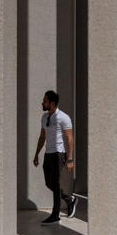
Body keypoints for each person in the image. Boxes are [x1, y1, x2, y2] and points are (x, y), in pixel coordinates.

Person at [32, 89, 77, 224]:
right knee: (49, 183)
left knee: (56, 183)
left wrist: (70, 159)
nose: (42, 103)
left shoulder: (63, 117)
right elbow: (42, 136)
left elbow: (69, 139)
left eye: (44, 101)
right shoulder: (44, 117)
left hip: (59, 153)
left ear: (52, 103)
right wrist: (36, 154)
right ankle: (69, 199)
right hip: (48, 153)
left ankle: (55, 215)